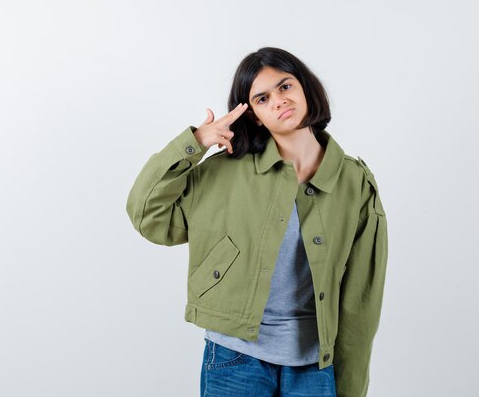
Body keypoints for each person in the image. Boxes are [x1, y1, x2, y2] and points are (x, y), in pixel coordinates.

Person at [126, 47, 388, 397]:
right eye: (262, 98)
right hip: (235, 357)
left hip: (314, 364)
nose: (279, 101)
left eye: (285, 87)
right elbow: (147, 215)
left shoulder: (355, 184)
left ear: (306, 89)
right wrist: (195, 143)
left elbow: (361, 300)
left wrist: (351, 387)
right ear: (255, 117)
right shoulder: (223, 173)